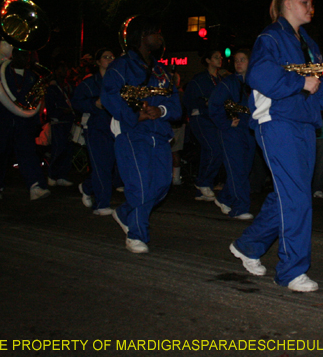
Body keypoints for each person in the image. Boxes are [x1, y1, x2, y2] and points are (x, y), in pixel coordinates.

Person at [229, 0, 323, 292]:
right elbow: (258, 76)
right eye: (304, 1)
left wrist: (320, 88)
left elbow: (319, 90)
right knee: (298, 197)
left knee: (290, 194)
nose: (310, 8)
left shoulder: (308, 43)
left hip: (301, 122)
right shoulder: (271, 37)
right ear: (287, 4)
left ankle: (248, 245)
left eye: (311, 2)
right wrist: (300, 84)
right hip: (277, 122)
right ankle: (290, 270)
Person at [101, 16, 181, 254]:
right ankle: (137, 234)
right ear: (141, 36)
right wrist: (136, 115)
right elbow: (109, 96)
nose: (160, 37)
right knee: (141, 186)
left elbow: (176, 106)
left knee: (163, 185)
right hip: (132, 133)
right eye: (155, 32)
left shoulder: (162, 71)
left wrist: (161, 110)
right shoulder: (121, 66)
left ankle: (125, 213)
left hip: (160, 134)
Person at [0, 46, 50, 201]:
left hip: (23, 122)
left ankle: (35, 186)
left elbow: (36, 102)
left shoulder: (32, 76)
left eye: (27, 55)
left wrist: (35, 121)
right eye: (21, 54)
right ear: (13, 55)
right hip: (2, 120)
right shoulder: (0, 71)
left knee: (28, 153)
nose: (24, 58)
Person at [209, 48, 256, 220]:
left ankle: (224, 198)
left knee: (244, 169)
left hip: (249, 131)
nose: (238, 63)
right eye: (236, 60)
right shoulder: (228, 83)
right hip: (232, 132)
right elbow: (214, 105)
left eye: (242, 59)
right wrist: (226, 123)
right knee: (236, 168)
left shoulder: (255, 81)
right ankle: (239, 207)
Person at [71, 48, 117, 215]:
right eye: (106, 57)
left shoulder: (119, 82)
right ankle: (101, 204)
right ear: (98, 62)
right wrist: (94, 104)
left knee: (109, 165)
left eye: (113, 57)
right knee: (101, 165)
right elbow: (76, 102)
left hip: (114, 128)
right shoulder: (89, 83)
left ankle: (87, 186)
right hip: (96, 127)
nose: (110, 59)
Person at [183, 49, 224, 200]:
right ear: (207, 60)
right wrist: (203, 103)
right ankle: (203, 182)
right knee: (214, 149)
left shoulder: (220, 80)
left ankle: (201, 190)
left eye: (220, 57)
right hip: (201, 119)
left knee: (210, 151)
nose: (219, 60)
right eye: (215, 57)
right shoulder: (199, 79)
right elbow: (188, 99)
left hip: (214, 120)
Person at [45, 61, 75, 187]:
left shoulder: (68, 86)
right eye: (62, 69)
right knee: (58, 149)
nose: (65, 71)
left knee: (68, 149)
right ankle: (52, 174)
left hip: (69, 121)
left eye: (66, 68)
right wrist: (62, 112)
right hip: (58, 122)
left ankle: (62, 175)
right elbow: (51, 108)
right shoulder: (52, 88)